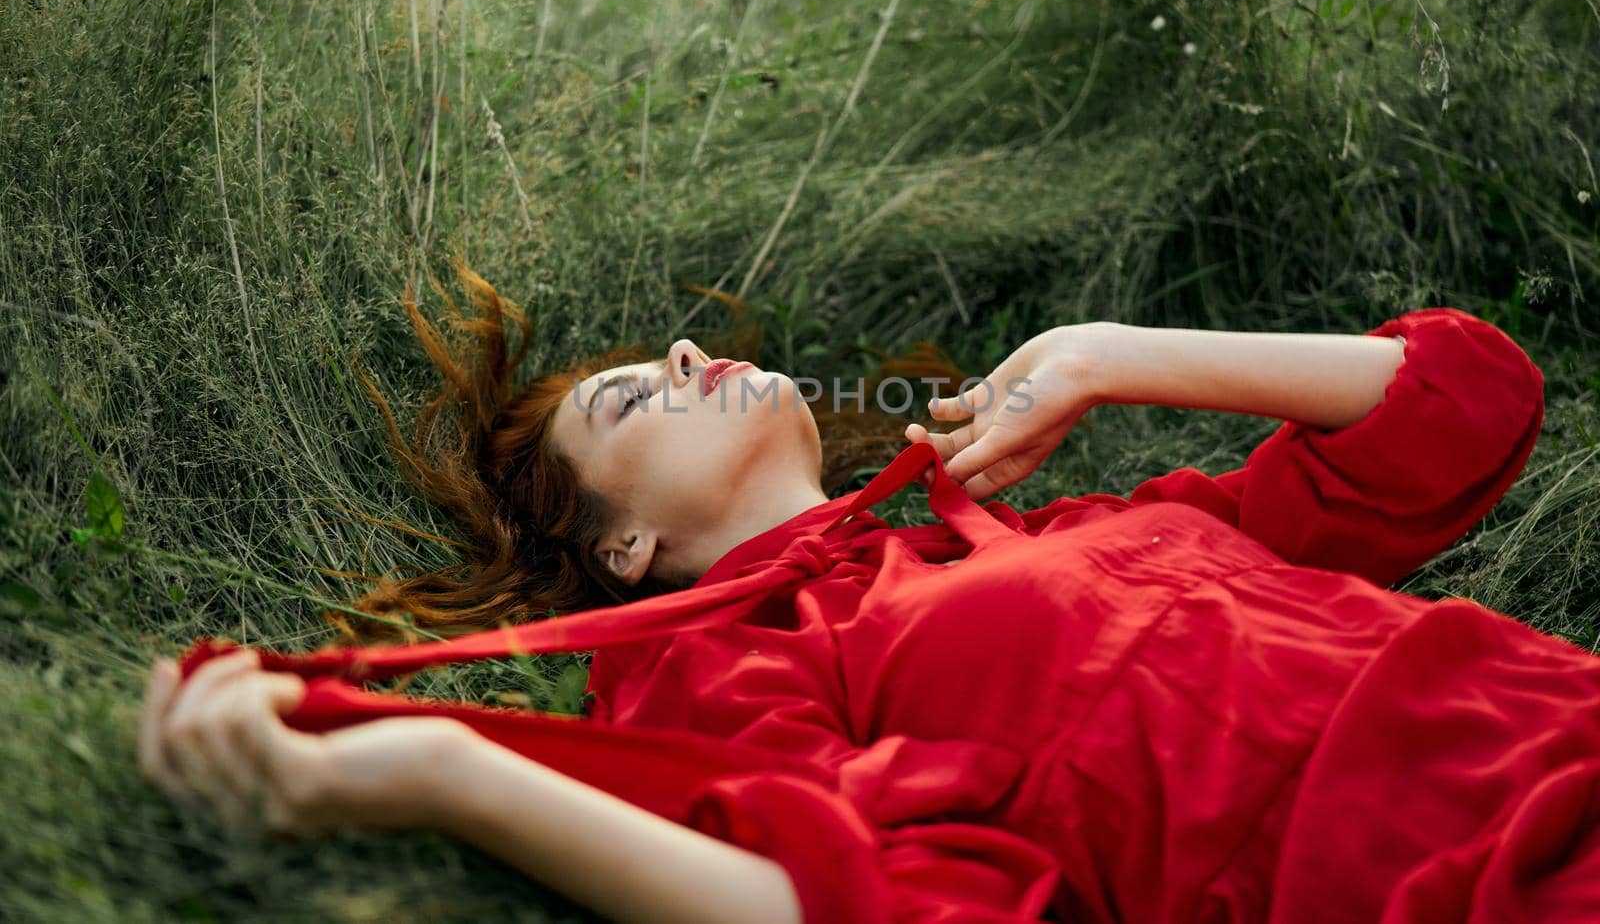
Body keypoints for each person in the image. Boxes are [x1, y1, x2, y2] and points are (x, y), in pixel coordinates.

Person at [139, 273, 1600, 924]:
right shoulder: (734, 664)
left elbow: (1459, 407)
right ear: (630, 548)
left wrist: (1108, 349)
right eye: (636, 394)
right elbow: (854, 902)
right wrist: (452, 771)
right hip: (1446, 885)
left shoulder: (1062, 525)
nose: (686, 348)